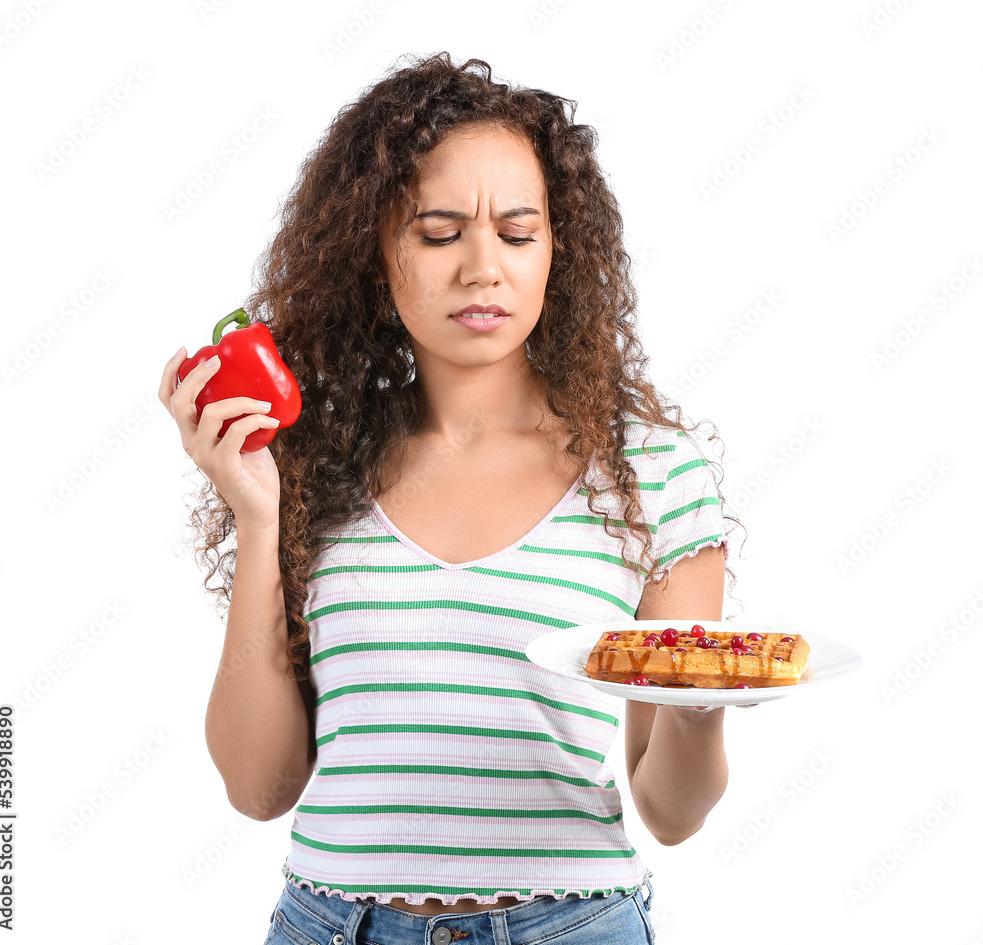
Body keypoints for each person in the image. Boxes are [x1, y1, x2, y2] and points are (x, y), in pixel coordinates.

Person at [158, 51, 747, 945]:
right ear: (376, 251)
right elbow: (258, 786)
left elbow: (669, 809)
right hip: (332, 925)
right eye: (439, 232)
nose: (483, 267)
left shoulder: (652, 476)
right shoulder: (315, 464)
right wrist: (257, 511)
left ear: (560, 249)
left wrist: (699, 708)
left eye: (518, 233)